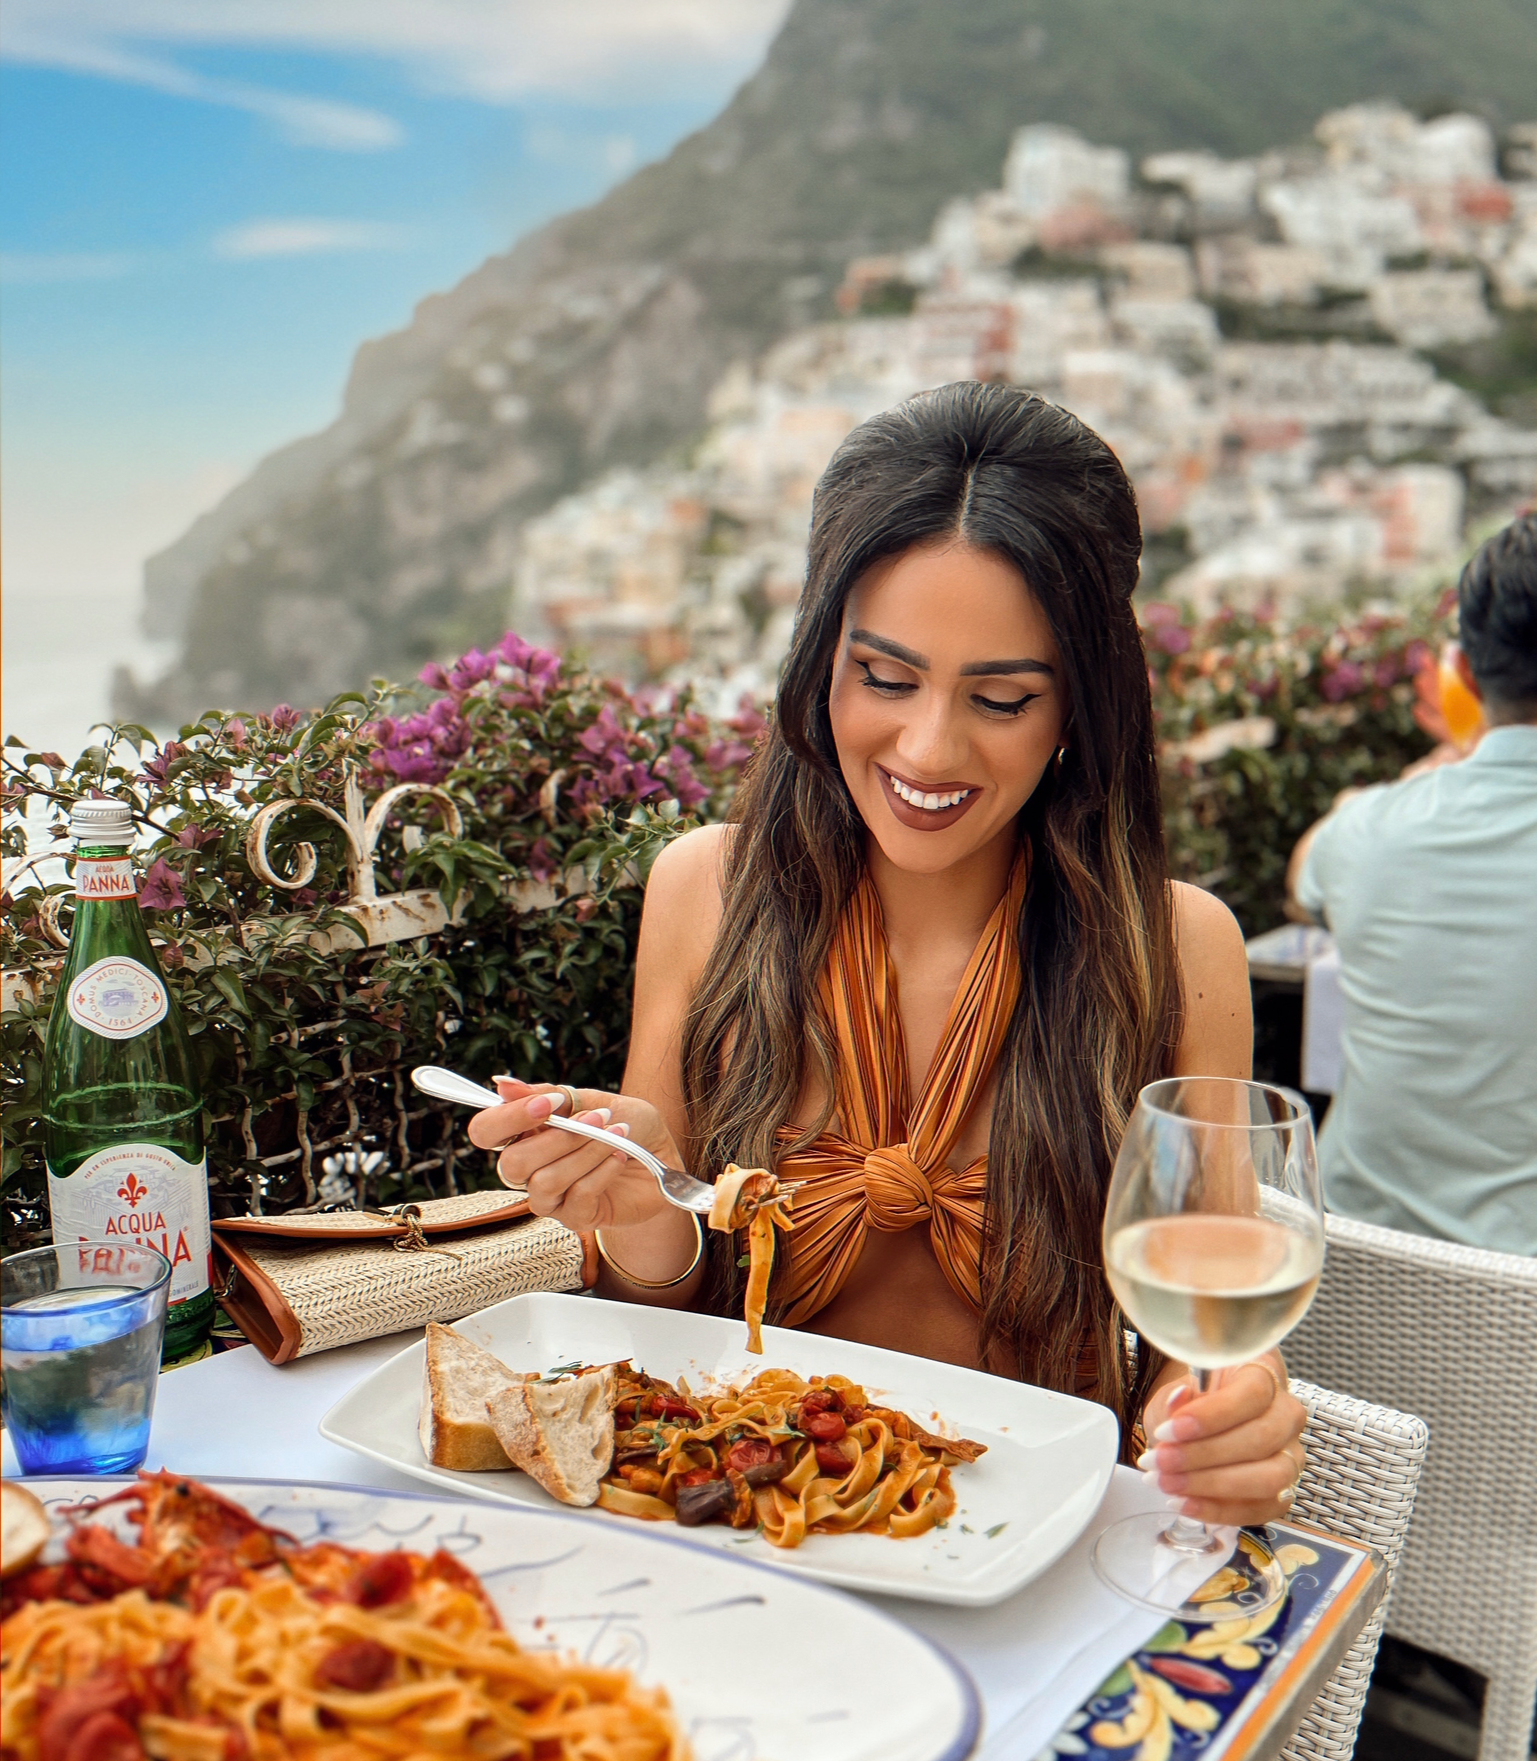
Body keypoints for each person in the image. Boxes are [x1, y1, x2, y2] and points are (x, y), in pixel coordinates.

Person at [471, 383, 1307, 1526]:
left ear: (1080, 707)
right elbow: (657, 1300)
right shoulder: (704, 890)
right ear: (821, 658)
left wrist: (1228, 1409)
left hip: (1025, 1549)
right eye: (884, 677)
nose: (927, 747)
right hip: (747, 1530)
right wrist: (642, 1203)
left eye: (1002, 697)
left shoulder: (1173, 947)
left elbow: (1198, 1343)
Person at [1287, 515, 1537, 1255]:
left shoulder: (1366, 827)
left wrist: (1444, 763)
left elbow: (1302, 882)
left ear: (1460, 671)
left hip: (1353, 1263)